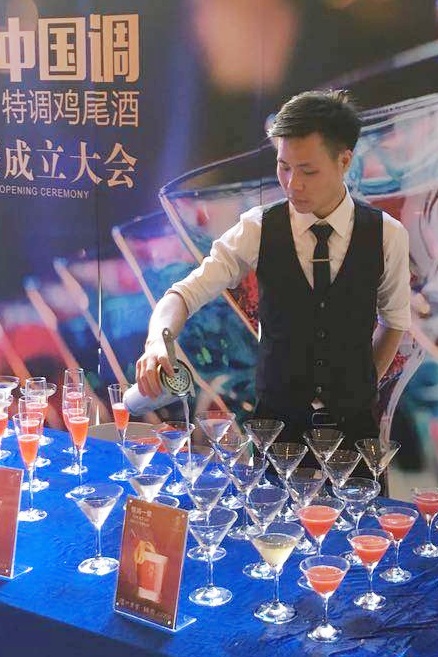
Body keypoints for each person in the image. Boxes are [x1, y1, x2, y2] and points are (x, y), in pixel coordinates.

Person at [135, 90, 411, 446]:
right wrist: (157, 342)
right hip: (275, 433)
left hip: (354, 434)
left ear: (344, 161)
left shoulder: (387, 235)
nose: (293, 184)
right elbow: (183, 295)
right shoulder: (257, 228)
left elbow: (394, 321)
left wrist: (362, 386)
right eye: (284, 167)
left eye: (308, 170)